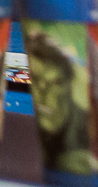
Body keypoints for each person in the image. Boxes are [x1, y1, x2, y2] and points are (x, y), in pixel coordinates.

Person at [26, 32, 89, 173]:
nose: (42, 92)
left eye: (55, 82)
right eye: (34, 79)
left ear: (70, 85)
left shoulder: (90, 133)